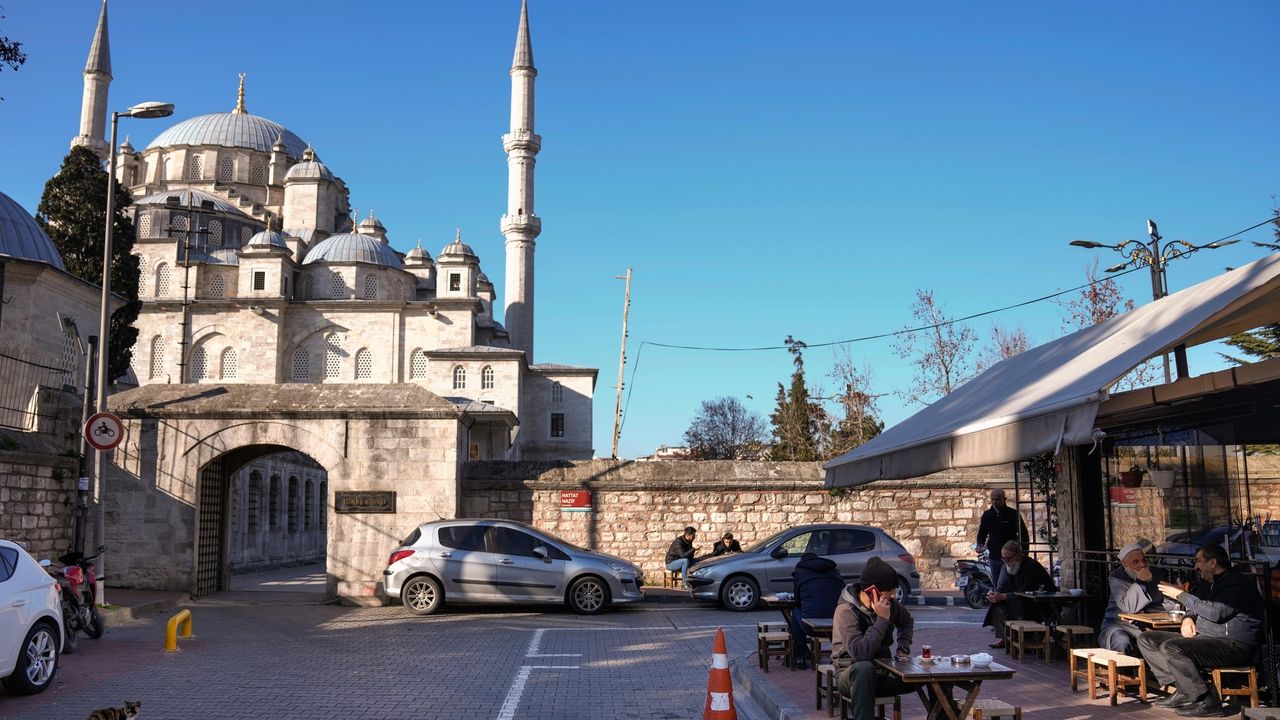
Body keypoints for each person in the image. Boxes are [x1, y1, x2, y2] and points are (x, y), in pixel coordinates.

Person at [1137, 544, 1265, 717]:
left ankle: (1207, 701)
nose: (1196, 566)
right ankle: (1183, 690)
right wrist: (1188, 619)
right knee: (1147, 639)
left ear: (1212, 563)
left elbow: (1216, 613)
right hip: (1206, 638)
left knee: (1172, 647)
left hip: (1234, 644)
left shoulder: (1237, 583)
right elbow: (1196, 606)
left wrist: (1180, 595)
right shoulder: (1207, 583)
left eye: (1199, 561)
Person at [831, 556, 915, 720]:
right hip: (851, 675)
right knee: (864, 668)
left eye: (894, 590)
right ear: (872, 591)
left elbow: (907, 621)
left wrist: (903, 648)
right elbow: (861, 654)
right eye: (888, 591)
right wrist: (882, 619)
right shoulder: (846, 611)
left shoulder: (891, 605)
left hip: (884, 671)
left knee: (930, 674)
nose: (893, 595)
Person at [1099, 541, 1171, 655]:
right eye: (1135, 562)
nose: (1142, 565)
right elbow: (1129, 607)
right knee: (1121, 640)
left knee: (1171, 642)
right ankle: (1123, 673)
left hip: (1149, 625)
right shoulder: (1117, 577)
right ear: (1124, 564)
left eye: (1143, 560)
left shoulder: (1156, 573)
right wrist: (1140, 581)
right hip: (1119, 625)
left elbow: (1165, 601)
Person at [982, 541, 1055, 649]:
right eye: (1004, 558)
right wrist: (995, 594)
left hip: (1036, 603)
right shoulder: (1006, 567)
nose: (1006, 561)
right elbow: (1002, 588)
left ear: (1019, 556)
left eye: (1008, 558)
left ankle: (1024, 639)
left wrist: (1004, 596)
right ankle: (1005, 638)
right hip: (1018, 600)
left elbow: (1026, 591)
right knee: (997, 606)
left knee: (1012, 605)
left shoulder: (1031, 566)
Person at [789, 552, 845, 670]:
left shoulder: (800, 572)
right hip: (836, 621)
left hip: (810, 625)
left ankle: (802, 656)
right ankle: (838, 654)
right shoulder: (834, 570)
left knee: (795, 613)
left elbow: (797, 600)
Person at [975, 488, 1029, 587]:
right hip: (994, 556)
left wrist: (1024, 553)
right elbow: (982, 533)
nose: (995, 502)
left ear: (1004, 499)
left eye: (998, 499)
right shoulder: (987, 515)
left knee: (1005, 583)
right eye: (993, 499)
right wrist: (979, 545)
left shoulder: (1013, 514)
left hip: (1010, 557)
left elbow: (1023, 534)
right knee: (997, 584)